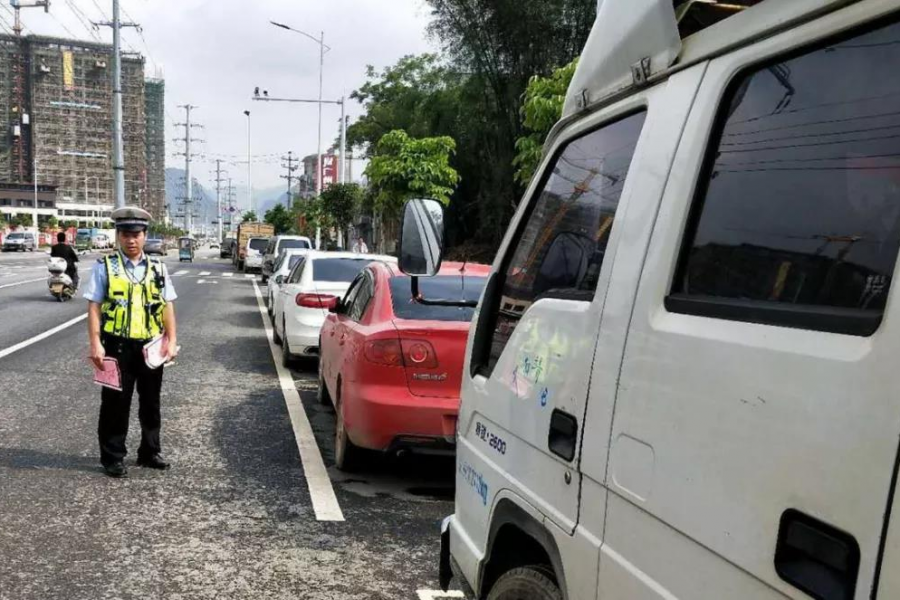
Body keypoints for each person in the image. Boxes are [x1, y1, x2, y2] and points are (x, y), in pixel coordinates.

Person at [83, 207, 179, 478]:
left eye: (136, 234)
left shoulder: (158, 267)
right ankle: (113, 457)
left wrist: (172, 340)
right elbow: (94, 307)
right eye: (125, 234)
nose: (131, 240)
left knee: (151, 403)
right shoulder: (105, 266)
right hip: (116, 346)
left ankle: (149, 452)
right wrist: (95, 344)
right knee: (115, 404)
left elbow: (167, 306)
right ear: (118, 236)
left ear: (145, 236)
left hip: (151, 347)